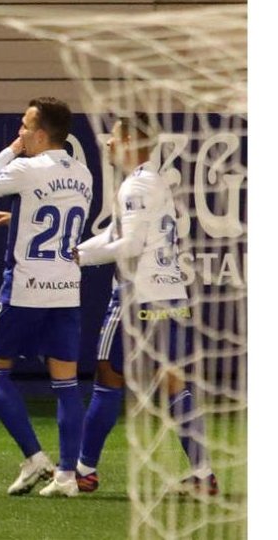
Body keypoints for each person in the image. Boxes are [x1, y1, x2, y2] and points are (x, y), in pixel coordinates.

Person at [71, 113, 219, 497]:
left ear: (133, 141)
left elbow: (131, 246)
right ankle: (202, 474)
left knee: (108, 377)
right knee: (173, 385)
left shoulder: (135, 186)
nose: (107, 144)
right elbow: (114, 235)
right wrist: (71, 252)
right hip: (171, 296)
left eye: (114, 138)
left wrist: (80, 260)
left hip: (138, 295)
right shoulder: (153, 182)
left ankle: (83, 471)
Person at [0, 97, 93, 497]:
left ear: (39, 134)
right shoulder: (84, 173)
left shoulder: (25, 166)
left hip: (24, 289)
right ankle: (67, 476)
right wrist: (16, 217)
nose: (19, 133)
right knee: (66, 384)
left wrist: (9, 151)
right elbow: (54, 214)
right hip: (66, 289)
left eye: (23, 128)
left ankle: (35, 457)